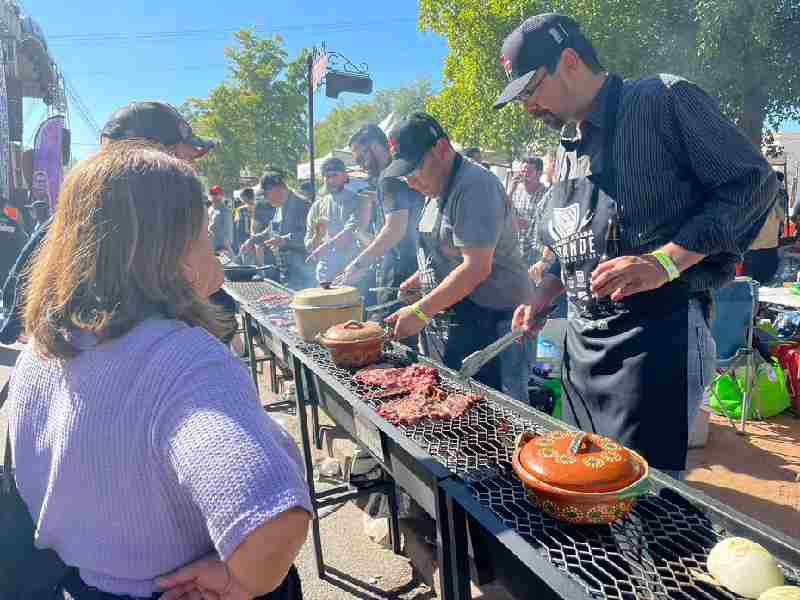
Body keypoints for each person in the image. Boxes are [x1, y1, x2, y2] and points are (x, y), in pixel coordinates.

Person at [7, 141, 311, 599]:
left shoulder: (40, 352)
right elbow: (270, 517)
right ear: (171, 249)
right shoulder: (184, 362)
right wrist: (239, 581)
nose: (216, 249)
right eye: (205, 232)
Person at [497, 14, 777, 477]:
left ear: (569, 62)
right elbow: (571, 236)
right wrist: (547, 290)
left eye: (531, 90)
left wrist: (666, 261)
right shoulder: (569, 148)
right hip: (585, 349)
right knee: (588, 487)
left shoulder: (660, 100)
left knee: (644, 497)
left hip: (657, 342)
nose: (529, 106)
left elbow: (751, 186)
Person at [0, 101, 217, 346]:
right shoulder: (173, 215)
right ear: (154, 159)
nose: (190, 169)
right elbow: (207, 280)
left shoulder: (68, 219)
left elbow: (23, 314)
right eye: (184, 157)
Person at [383, 113, 534, 403]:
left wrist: (419, 311)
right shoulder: (435, 186)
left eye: (415, 168)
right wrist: (420, 279)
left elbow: (476, 267)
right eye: (405, 173)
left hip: (496, 321)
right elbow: (448, 248)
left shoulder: (474, 185)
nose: (410, 181)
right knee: (452, 406)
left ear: (441, 149)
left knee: (496, 415)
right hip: (459, 318)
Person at [340, 125, 424, 306]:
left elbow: (394, 230)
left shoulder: (389, 179)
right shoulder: (403, 171)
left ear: (375, 147)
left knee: (390, 329)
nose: (361, 164)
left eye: (361, 157)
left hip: (401, 272)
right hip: (418, 268)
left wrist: (358, 264)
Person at [241, 169, 312, 290]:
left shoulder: (302, 205)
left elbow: (310, 236)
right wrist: (253, 240)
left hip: (302, 273)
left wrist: (285, 240)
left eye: (266, 194)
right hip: (285, 271)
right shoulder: (280, 206)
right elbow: (270, 231)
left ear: (278, 189)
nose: (265, 199)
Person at [306, 158, 365, 286]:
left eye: (335, 175)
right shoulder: (317, 206)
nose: (331, 180)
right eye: (327, 176)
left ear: (345, 176)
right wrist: (318, 236)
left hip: (351, 272)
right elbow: (310, 247)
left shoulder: (357, 200)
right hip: (325, 276)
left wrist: (326, 246)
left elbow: (350, 232)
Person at [742, 171, 786, 284]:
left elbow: (782, 218)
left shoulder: (775, 198)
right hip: (755, 249)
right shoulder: (752, 198)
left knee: (764, 283)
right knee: (752, 284)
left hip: (766, 249)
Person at [508, 156, 549, 266]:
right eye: (522, 171)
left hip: (537, 253)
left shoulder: (547, 194)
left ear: (539, 174)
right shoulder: (517, 190)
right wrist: (511, 190)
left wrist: (530, 224)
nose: (524, 175)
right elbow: (503, 211)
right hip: (516, 250)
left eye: (529, 171)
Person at [0, 198, 27, 292]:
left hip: (9, 252)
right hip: (11, 252)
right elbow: (20, 231)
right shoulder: (12, 211)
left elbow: (20, 231)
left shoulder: (11, 212)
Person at [208, 184, 234, 256]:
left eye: (216, 194)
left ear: (221, 195)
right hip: (210, 246)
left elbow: (229, 229)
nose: (213, 196)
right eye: (212, 193)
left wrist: (226, 247)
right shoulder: (210, 209)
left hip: (221, 248)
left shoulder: (225, 211)